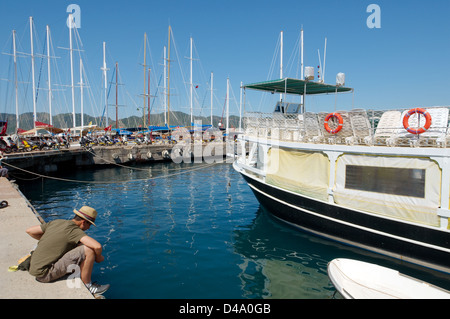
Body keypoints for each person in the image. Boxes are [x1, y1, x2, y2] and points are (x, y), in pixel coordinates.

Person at [26, 206, 110, 295]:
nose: (88, 228)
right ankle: (88, 285)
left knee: (79, 245)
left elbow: (30, 231)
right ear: (83, 222)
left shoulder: (57, 222)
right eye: (89, 225)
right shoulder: (74, 231)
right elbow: (97, 246)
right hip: (45, 274)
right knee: (88, 250)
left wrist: (51, 242)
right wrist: (99, 258)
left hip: (35, 269)